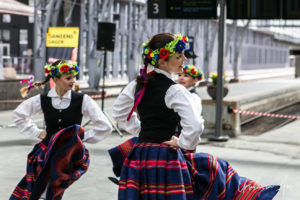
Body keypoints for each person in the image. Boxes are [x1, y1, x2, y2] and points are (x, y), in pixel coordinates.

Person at [109, 33, 280, 200]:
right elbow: (196, 124)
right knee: (213, 172)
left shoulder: (137, 84)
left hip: (139, 155)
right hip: (164, 156)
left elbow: (119, 113)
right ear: (162, 61)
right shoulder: (174, 90)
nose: (184, 59)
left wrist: (142, 131)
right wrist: (182, 143)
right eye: (179, 56)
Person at [9, 60, 112, 200]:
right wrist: (36, 132)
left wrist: (80, 137)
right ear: (56, 79)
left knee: (49, 187)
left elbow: (105, 126)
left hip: (69, 153)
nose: (73, 81)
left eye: (74, 77)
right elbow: (18, 115)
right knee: (43, 187)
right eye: (68, 78)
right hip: (46, 150)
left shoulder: (83, 100)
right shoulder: (42, 99)